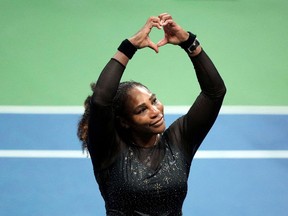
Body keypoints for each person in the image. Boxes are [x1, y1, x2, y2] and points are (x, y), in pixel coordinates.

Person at [77, 13, 226, 216]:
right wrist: (128, 48)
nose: (155, 111)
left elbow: (214, 93)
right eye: (141, 110)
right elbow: (101, 101)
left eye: (154, 100)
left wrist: (189, 42)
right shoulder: (109, 150)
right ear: (125, 122)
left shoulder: (178, 141)